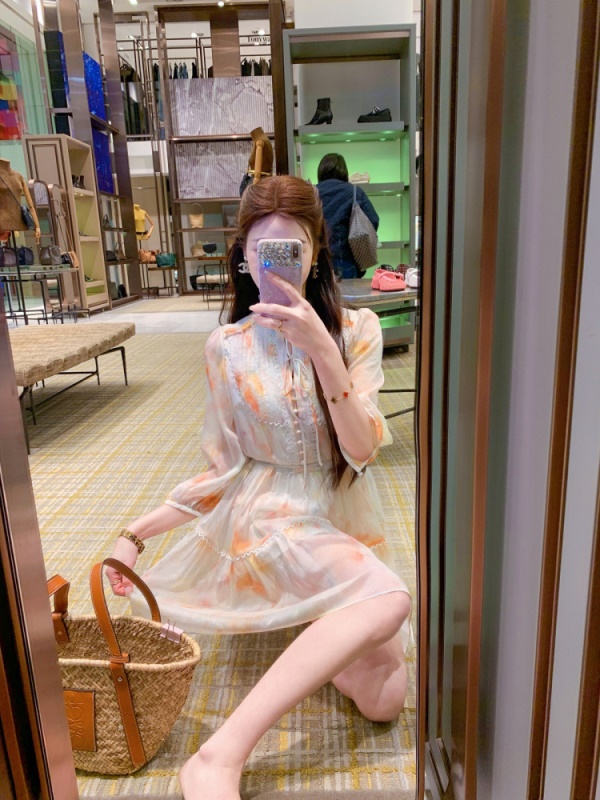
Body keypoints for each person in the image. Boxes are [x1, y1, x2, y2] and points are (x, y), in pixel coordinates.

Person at [107, 175, 411, 800]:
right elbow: (221, 467)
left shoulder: (357, 331)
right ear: (244, 257)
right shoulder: (227, 346)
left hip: (338, 509)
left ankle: (313, 621)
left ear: (316, 253)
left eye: (290, 250)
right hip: (268, 515)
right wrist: (134, 534)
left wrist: (323, 349)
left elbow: (360, 451)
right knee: (389, 600)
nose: (275, 265)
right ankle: (218, 756)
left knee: (385, 699)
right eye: (261, 250)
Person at [316, 153, 379, 279]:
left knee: (321, 292)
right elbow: (373, 219)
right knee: (349, 292)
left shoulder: (312, 192)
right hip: (346, 260)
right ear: (344, 172)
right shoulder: (354, 192)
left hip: (317, 261)